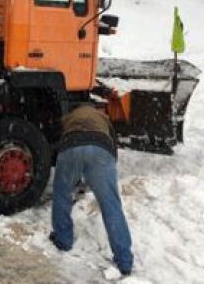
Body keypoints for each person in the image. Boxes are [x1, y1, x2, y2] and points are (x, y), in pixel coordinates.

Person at [50, 102, 133, 276]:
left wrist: (71, 174)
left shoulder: (69, 117)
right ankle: (124, 260)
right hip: (101, 148)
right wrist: (104, 174)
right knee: (111, 205)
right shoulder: (103, 117)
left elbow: (58, 142)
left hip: (71, 145)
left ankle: (63, 240)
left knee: (61, 194)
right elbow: (113, 145)